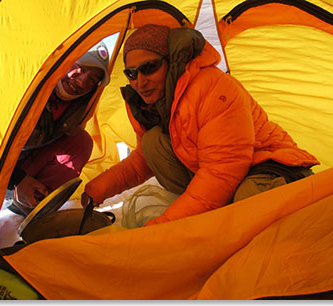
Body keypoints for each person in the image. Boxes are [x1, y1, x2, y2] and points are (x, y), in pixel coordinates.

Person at [82, 24, 320, 226]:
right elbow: (142, 162)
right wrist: (96, 191)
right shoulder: (151, 105)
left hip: (269, 166)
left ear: (171, 61)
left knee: (249, 204)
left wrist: (162, 227)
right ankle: (209, 213)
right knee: (154, 142)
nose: (140, 82)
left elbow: (221, 171)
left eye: (149, 68)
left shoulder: (213, 88)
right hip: (224, 175)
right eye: (132, 74)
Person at [7, 41, 110, 216]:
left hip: (24, 164)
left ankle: (31, 209)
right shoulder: (26, 89)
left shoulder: (77, 108)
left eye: (92, 79)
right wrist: (17, 180)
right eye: (80, 67)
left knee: (81, 142)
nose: (83, 82)